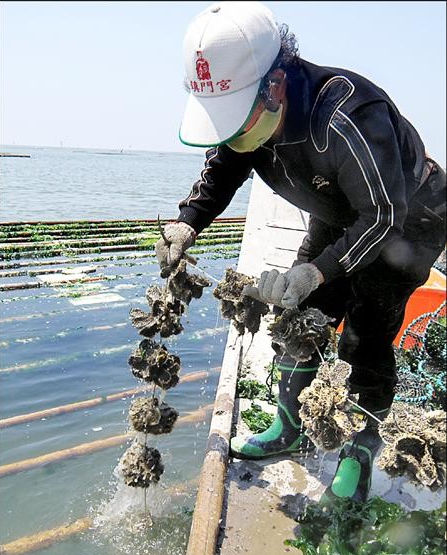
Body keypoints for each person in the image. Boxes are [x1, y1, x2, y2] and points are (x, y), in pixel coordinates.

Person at [156, 1, 446, 502]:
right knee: (298, 318)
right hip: (340, 214)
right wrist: (187, 223)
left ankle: (359, 446)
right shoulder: (248, 120)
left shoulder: (347, 116)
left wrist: (316, 271)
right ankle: (290, 424)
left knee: (366, 334)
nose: (231, 137)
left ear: (275, 85)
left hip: (409, 219)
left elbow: (380, 216)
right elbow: (224, 166)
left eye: (236, 122)